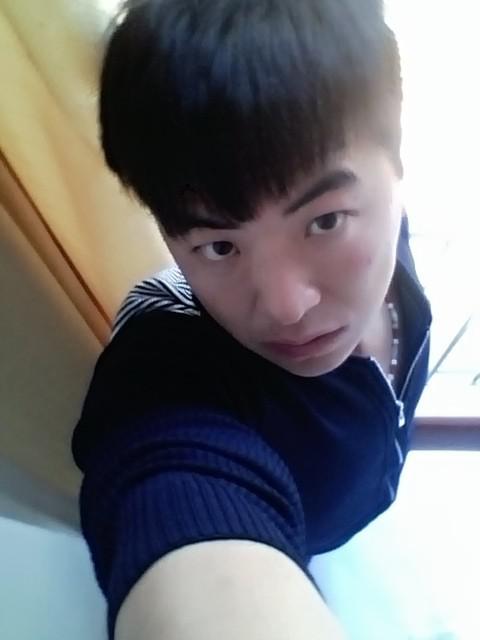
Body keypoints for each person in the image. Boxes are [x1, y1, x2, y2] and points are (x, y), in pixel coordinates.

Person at [72, 0, 432, 638]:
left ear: (397, 157)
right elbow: (166, 475)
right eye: (219, 246)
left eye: (325, 221)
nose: (287, 307)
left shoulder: (394, 233)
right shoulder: (167, 371)